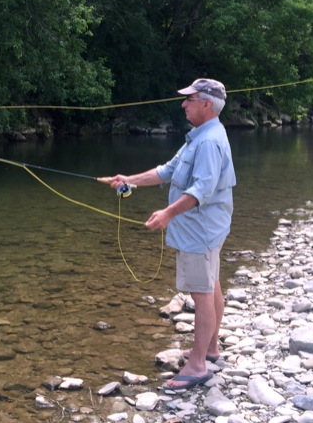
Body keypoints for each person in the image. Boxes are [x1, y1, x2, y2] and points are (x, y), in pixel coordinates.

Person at [99, 78, 236, 391]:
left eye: (189, 99)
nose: (183, 104)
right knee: (211, 285)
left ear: (206, 104)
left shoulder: (209, 142)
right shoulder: (200, 136)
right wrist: (129, 180)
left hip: (200, 231)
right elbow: (167, 170)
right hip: (209, 229)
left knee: (201, 296)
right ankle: (211, 348)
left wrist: (167, 214)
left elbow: (201, 190)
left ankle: (198, 365)